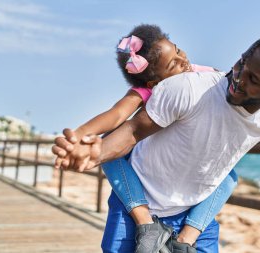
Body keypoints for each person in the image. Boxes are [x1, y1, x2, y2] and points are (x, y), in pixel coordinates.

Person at [53, 28, 260, 253]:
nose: (238, 77)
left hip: (193, 214)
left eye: (253, 80)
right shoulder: (189, 89)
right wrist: (95, 153)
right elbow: (132, 132)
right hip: (138, 201)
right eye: (242, 62)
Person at [55, 24, 238, 252]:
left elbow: (230, 83)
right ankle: (144, 220)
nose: (183, 61)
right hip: (149, 172)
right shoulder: (151, 90)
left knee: (229, 175)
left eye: (179, 50)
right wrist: (80, 135)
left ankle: (189, 235)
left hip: (191, 177)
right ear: (154, 83)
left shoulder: (200, 74)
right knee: (110, 145)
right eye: (173, 64)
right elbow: (118, 113)